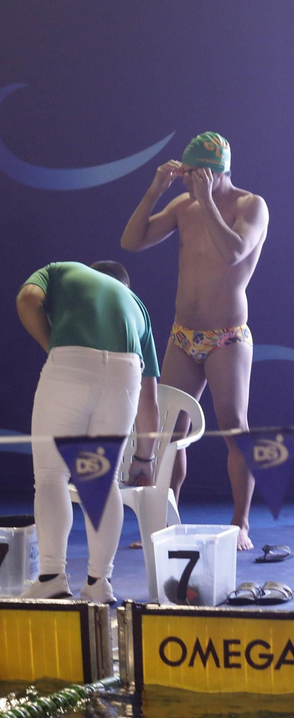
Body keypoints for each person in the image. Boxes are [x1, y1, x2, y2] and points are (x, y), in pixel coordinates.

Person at [121, 132, 268, 550]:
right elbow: (132, 242)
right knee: (169, 433)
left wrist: (206, 201)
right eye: (185, 174)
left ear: (216, 171)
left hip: (227, 339)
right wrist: (154, 192)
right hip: (183, 335)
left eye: (194, 174)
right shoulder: (183, 204)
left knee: (234, 429)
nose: (187, 181)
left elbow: (234, 253)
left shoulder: (250, 205)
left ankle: (241, 522)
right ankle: (165, 521)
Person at [16, 260, 161, 603]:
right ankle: (99, 584)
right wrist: (144, 459)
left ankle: (51, 577)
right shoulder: (138, 307)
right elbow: (150, 401)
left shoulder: (59, 270)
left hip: (70, 364)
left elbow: (27, 299)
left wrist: (51, 344)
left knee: (51, 476)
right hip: (126, 375)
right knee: (103, 480)